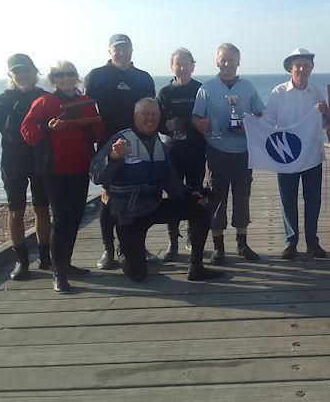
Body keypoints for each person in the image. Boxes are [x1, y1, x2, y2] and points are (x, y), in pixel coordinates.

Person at [90, 98, 224, 282]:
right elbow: (96, 176)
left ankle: (196, 267)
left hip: (153, 207)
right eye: (145, 113)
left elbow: (171, 182)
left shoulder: (160, 145)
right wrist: (112, 158)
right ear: (135, 116)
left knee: (201, 206)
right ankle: (125, 249)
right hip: (129, 215)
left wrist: (191, 194)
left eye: (155, 114)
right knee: (137, 275)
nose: (150, 118)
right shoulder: (120, 140)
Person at [21, 61, 104, 293]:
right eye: (60, 75)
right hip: (55, 170)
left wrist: (87, 124)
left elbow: (98, 132)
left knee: (75, 216)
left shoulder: (86, 102)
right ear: (53, 79)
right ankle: (58, 272)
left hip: (80, 168)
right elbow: (27, 133)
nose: (66, 78)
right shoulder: (44, 102)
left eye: (70, 74)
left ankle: (65, 263)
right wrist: (48, 128)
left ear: (76, 77)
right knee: (60, 218)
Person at [84, 34, 156, 270]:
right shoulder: (96, 76)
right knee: (108, 197)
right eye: (118, 49)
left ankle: (136, 246)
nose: (122, 53)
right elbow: (85, 112)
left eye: (126, 49)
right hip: (108, 143)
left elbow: (152, 112)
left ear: (132, 51)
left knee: (137, 194)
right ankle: (109, 249)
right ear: (109, 51)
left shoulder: (143, 78)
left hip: (138, 142)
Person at [193, 43, 265, 265]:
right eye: (223, 59)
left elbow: (261, 115)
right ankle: (219, 248)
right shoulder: (206, 88)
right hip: (216, 151)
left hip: (243, 152)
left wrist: (248, 125)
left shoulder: (249, 87)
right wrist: (201, 124)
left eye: (231, 60)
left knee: (242, 197)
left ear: (238, 61)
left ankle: (242, 245)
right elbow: (195, 117)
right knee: (216, 198)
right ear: (217, 61)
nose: (227, 64)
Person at [0, 54, 51, 280]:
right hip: (13, 163)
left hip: (40, 161)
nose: (22, 75)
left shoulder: (45, 98)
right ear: (10, 75)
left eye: (26, 70)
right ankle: (21, 261)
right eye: (17, 71)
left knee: (42, 209)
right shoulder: (2, 101)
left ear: (35, 72)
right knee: (16, 210)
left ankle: (45, 258)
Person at [263, 48, 330, 259]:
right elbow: (267, 122)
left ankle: (312, 241)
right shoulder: (278, 93)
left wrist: (325, 112)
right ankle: (291, 241)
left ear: (311, 68)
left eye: (306, 65)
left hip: (311, 156)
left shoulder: (317, 92)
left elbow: (325, 124)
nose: (302, 69)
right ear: (290, 68)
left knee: (313, 200)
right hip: (286, 157)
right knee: (288, 200)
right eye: (298, 65)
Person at [157, 48, 207, 261]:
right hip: (173, 151)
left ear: (193, 66)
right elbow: (157, 123)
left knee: (195, 194)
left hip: (196, 151)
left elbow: (207, 118)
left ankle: (192, 237)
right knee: (174, 195)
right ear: (172, 66)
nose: (183, 67)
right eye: (178, 64)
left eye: (187, 64)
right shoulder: (165, 92)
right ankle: (172, 242)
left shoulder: (201, 90)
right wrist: (165, 126)